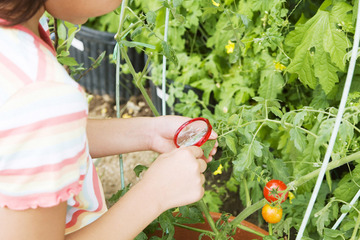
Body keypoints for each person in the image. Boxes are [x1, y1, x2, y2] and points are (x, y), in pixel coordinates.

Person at [0, 1, 218, 239]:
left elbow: (33, 140)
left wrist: (150, 132)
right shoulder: (40, 92)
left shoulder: (15, 50)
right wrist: (154, 195)